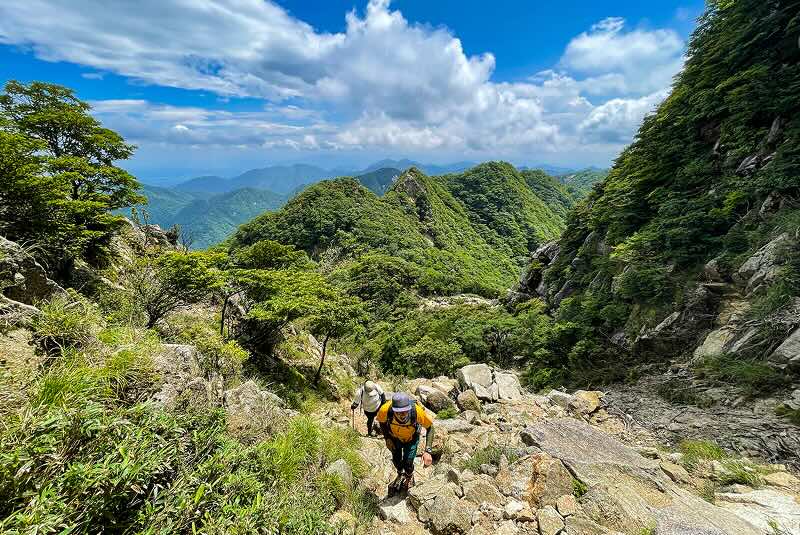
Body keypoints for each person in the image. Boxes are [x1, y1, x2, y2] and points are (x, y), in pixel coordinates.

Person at [376, 392, 435, 493]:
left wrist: (428, 450)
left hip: (411, 439)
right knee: (397, 461)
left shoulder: (418, 412)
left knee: (408, 462)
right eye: (398, 412)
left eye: (404, 411)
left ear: (409, 408)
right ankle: (400, 473)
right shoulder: (385, 410)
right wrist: (387, 438)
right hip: (394, 438)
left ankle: (409, 475)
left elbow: (430, 428)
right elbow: (382, 423)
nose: (401, 415)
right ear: (393, 410)